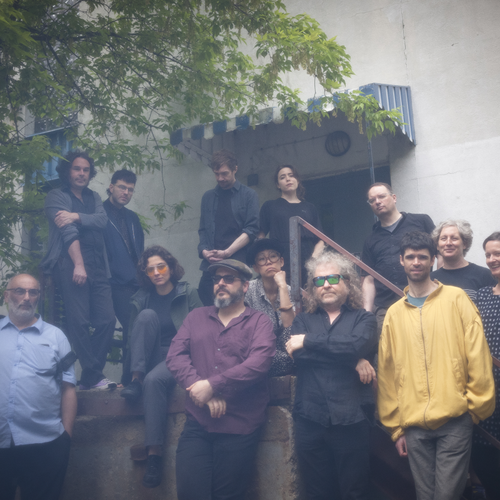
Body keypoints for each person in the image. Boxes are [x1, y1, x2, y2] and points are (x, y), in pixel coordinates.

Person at [377, 231, 495, 500]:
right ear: (401, 260)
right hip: (413, 424)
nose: (416, 262)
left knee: (446, 495)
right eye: (410, 257)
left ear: (433, 260)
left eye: (422, 257)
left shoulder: (456, 299)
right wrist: (396, 428)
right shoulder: (394, 313)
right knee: (425, 495)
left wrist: (473, 408)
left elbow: (478, 354)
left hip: (455, 418)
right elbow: (387, 372)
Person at [166, 259, 275, 500]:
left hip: (239, 426)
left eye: (228, 279)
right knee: (189, 494)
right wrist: (202, 391)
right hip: (198, 424)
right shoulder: (196, 317)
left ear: (245, 286)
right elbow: (175, 356)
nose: (221, 283)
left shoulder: (260, 322)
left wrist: (213, 385)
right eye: (217, 279)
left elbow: (259, 364)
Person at [285, 252, 378, 500]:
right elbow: (300, 357)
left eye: (333, 278)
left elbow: (356, 345)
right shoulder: (302, 321)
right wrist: (353, 360)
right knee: (317, 493)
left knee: (354, 491)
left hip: (351, 419)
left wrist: (309, 341)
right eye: (319, 280)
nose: (326, 284)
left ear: (347, 282)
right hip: (310, 419)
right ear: (313, 288)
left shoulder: (364, 319)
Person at [120, 245, 202, 488]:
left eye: (161, 267)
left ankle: (154, 456)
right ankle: (136, 380)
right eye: (150, 270)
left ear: (171, 267)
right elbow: (133, 338)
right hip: (148, 358)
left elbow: (203, 329)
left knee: (154, 380)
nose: (156, 273)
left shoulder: (188, 292)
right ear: (145, 274)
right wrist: (127, 376)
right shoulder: (141, 298)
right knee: (146, 316)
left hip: (178, 357)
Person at [40, 150, 116, 390]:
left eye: (86, 169)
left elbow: (102, 221)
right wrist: (79, 265)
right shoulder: (56, 196)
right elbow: (67, 232)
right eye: (76, 168)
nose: (82, 173)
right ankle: (94, 376)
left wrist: (74, 215)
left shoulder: (94, 197)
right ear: (67, 171)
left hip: (98, 265)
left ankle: (90, 376)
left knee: (107, 320)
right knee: (79, 322)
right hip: (70, 264)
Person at [0, 274, 77, 500]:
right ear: (6, 296)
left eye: (33, 292)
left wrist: (65, 438)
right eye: (19, 291)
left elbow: (68, 387)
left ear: (38, 298)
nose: (27, 297)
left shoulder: (56, 337)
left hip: (45, 443)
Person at [361, 182, 435, 331]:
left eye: (382, 196)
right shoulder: (370, 240)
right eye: (372, 200)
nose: (377, 202)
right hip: (385, 308)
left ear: (394, 198)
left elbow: (440, 255)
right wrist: (366, 314)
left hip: (424, 300)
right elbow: (368, 280)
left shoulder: (421, 222)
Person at [198, 149, 260, 306]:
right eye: (216, 174)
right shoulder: (207, 197)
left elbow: (252, 230)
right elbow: (203, 230)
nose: (220, 178)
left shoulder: (249, 195)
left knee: (236, 306)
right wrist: (204, 251)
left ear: (235, 169)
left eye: (224, 173)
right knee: (208, 303)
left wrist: (227, 252)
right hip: (211, 266)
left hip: (238, 262)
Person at [103, 169, 145, 368]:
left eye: (130, 189)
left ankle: (133, 376)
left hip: (137, 283)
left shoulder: (132, 217)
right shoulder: (99, 214)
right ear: (111, 187)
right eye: (122, 187)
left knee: (137, 330)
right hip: (114, 283)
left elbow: (139, 251)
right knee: (128, 327)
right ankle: (130, 376)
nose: (126, 192)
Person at [471, 232, 500, 499]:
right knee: (485, 455)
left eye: (497, 254)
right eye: (488, 254)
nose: (491, 259)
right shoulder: (481, 295)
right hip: (487, 387)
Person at [258, 164, 323, 282]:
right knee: (282, 289)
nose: (287, 179)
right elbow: (260, 235)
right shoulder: (270, 206)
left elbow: (320, 240)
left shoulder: (309, 208)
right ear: (278, 184)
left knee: (308, 289)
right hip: (279, 258)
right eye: (282, 177)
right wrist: (266, 258)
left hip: (306, 258)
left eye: (291, 175)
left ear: (297, 180)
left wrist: (313, 260)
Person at [245, 238, 295, 377]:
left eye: (273, 256)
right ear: (256, 268)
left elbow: (289, 326)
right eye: (262, 259)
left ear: (281, 261)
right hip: (259, 349)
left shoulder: (290, 290)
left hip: (284, 349)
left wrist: (282, 287)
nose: (268, 262)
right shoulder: (248, 291)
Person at [430, 219, 495, 301]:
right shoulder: (430, 279)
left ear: (465, 244)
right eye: (443, 238)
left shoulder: (485, 276)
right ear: (437, 245)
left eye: (454, 238)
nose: (448, 243)